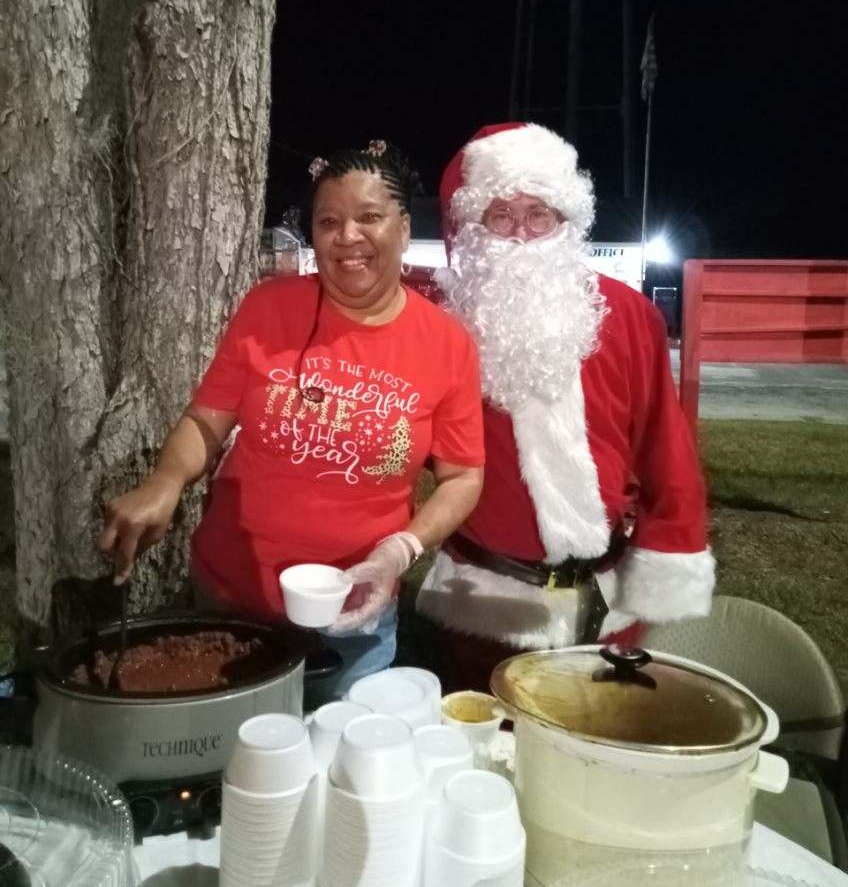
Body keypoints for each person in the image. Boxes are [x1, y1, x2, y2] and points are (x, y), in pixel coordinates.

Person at [99, 140, 485, 693]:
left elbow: (463, 476)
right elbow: (206, 420)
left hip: (354, 615)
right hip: (232, 601)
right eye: (329, 221)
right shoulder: (269, 308)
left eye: (369, 217)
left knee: (338, 766)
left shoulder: (446, 344)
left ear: (404, 226)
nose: (348, 236)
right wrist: (165, 481)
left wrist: (399, 552)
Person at [416, 122, 714, 691]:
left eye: (540, 215)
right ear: (470, 230)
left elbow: (665, 448)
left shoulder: (628, 315)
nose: (522, 235)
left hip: (610, 606)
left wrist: (670, 553)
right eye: (500, 217)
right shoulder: (440, 327)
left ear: (566, 221)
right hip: (484, 609)